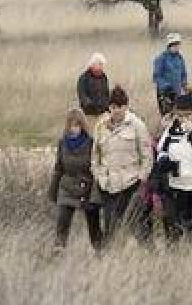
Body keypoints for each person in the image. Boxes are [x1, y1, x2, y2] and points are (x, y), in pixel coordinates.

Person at [150, 92, 192, 241]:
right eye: (179, 115)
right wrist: (164, 160)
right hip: (178, 184)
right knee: (179, 226)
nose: (182, 118)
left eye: (185, 115)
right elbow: (162, 147)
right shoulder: (173, 125)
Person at [92, 86, 152, 244]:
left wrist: (141, 178)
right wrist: (99, 176)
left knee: (137, 226)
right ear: (109, 107)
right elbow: (95, 155)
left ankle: (149, 257)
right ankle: (112, 260)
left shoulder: (137, 125)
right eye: (113, 106)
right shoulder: (100, 126)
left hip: (131, 184)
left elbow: (147, 155)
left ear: (126, 106)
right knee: (110, 227)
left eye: (120, 106)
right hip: (108, 185)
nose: (116, 110)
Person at [47, 108, 103, 252]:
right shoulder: (62, 143)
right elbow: (59, 167)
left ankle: (101, 253)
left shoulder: (91, 143)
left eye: (77, 125)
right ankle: (58, 250)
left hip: (87, 187)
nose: (74, 129)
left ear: (82, 126)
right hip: (67, 186)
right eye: (71, 125)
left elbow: (96, 168)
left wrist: (96, 195)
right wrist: (53, 192)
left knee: (94, 226)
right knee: (62, 222)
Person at [152, 33, 189, 115]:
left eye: (178, 44)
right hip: (165, 94)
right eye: (174, 44)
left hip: (178, 93)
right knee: (167, 116)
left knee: (180, 115)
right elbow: (157, 76)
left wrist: (184, 86)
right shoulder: (161, 58)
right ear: (169, 45)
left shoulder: (180, 58)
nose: (177, 47)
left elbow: (183, 74)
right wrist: (166, 87)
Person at [77, 53, 111, 122]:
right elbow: (82, 94)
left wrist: (108, 107)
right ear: (93, 65)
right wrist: (90, 105)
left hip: (103, 113)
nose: (102, 67)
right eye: (100, 64)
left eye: (102, 65)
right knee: (90, 132)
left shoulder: (104, 77)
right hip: (89, 114)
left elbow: (106, 93)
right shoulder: (84, 78)